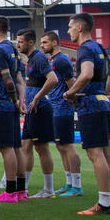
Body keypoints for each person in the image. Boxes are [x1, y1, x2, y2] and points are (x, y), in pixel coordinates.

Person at [63, 12, 110, 215]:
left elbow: (86, 74)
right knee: (107, 153)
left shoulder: (85, 49)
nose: (68, 31)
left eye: (70, 27)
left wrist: (70, 93)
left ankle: (104, 203)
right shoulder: (100, 48)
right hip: (103, 105)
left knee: (95, 154)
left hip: (91, 107)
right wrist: (102, 93)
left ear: (80, 28)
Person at [0, 16, 27, 203]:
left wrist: (12, 99)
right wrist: (20, 101)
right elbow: (20, 79)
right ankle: (21, 190)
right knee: (16, 147)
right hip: (12, 104)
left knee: (6, 148)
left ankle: (10, 191)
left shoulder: (0, 50)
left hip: (2, 103)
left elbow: (8, 79)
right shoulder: (13, 49)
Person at [41, 30, 83, 196]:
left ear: (54, 43)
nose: (42, 45)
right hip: (57, 107)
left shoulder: (61, 60)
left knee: (68, 145)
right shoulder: (55, 60)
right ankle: (69, 183)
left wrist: (72, 102)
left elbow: (72, 84)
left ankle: (77, 186)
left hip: (64, 107)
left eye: (45, 42)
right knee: (60, 146)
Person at [17, 28, 59, 198]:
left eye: (20, 41)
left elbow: (53, 79)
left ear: (30, 42)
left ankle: (49, 189)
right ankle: (24, 188)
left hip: (40, 109)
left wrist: (37, 98)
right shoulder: (32, 59)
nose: (18, 44)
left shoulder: (39, 58)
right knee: (26, 146)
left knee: (41, 148)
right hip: (32, 110)